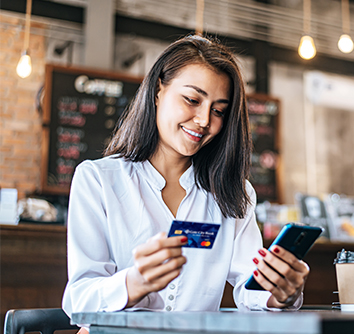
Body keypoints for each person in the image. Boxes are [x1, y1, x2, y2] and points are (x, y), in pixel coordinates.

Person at [62, 35, 310, 332]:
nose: (204, 120)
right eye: (192, 100)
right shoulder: (99, 180)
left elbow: (249, 287)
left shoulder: (233, 193)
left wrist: (281, 293)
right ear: (158, 90)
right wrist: (133, 282)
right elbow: (78, 299)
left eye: (218, 110)